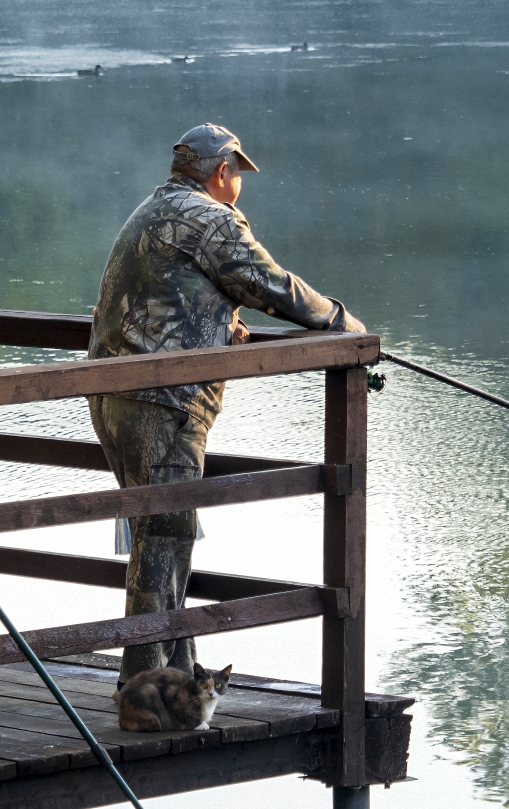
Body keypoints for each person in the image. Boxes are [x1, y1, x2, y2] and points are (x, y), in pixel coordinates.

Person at [87, 123, 365, 698]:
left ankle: (179, 674)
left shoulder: (152, 209)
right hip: (164, 402)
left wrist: (220, 324)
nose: (239, 182)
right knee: (165, 541)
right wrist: (343, 324)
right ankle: (141, 689)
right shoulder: (211, 218)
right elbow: (270, 284)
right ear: (221, 172)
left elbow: (172, 293)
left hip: (112, 396)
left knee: (161, 535)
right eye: (237, 172)